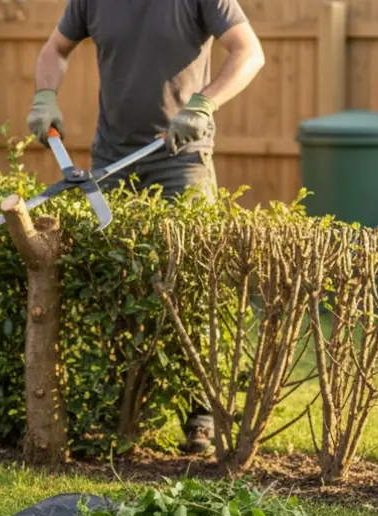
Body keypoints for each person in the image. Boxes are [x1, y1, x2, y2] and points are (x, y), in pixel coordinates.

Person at [25, 0, 265, 454]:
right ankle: (126, 415)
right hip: (113, 163)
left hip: (181, 160)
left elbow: (249, 52)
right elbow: (55, 50)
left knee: (193, 287)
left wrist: (204, 104)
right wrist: (45, 95)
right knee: (117, 291)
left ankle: (202, 416)